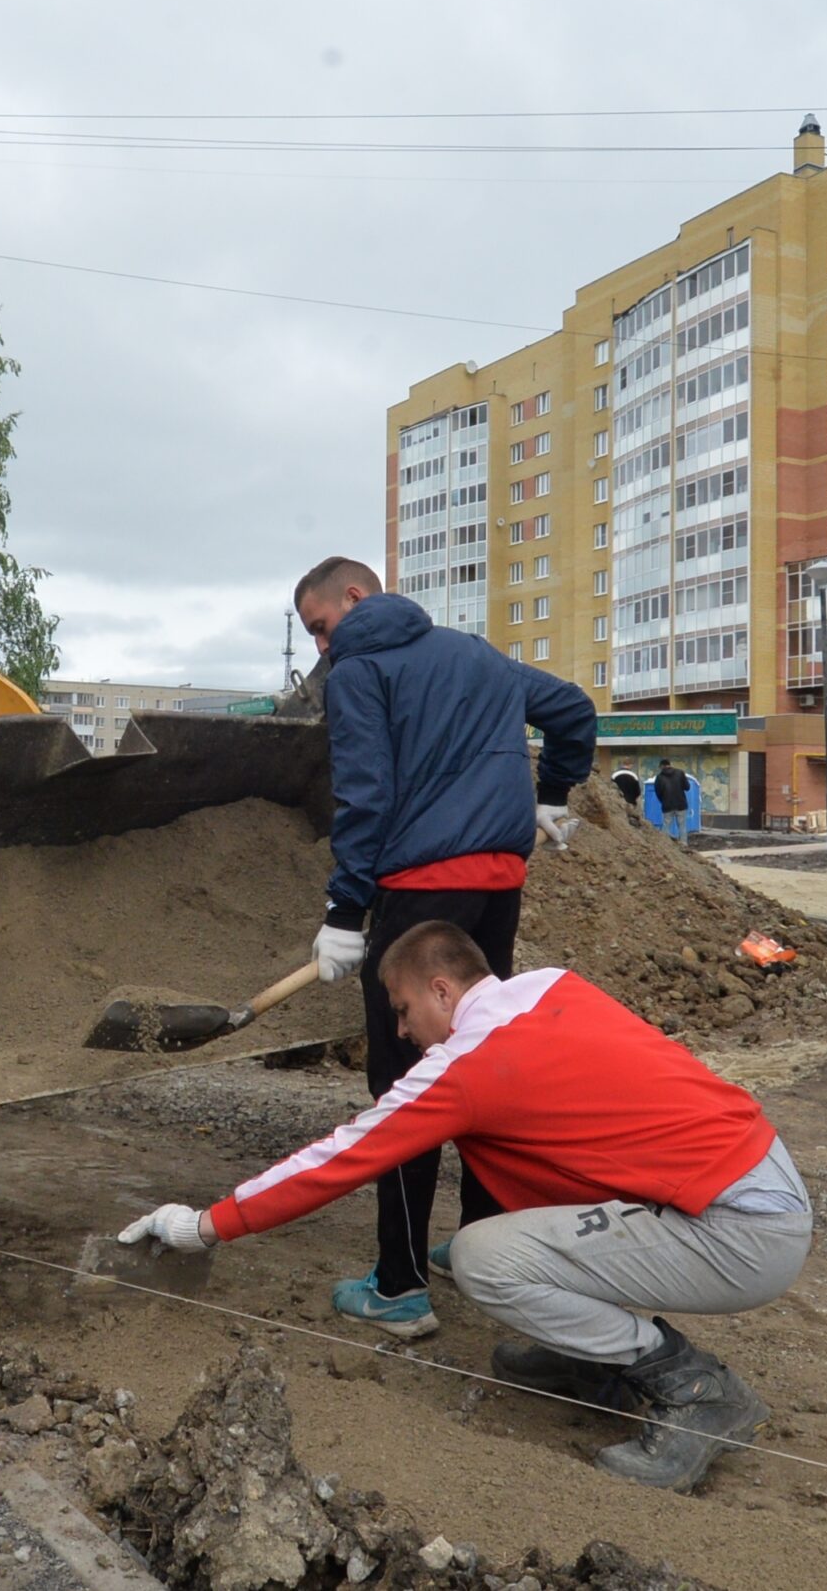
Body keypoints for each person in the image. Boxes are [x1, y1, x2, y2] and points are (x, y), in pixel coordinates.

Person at [119, 922, 810, 1492]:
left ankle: (694, 1391)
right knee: (505, 1229)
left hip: (740, 1229)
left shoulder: (473, 1062)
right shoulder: (551, 986)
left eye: (402, 1010)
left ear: (441, 990)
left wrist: (206, 1224)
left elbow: (342, 1157)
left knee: (483, 1259)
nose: (402, 1031)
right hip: (750, 1177)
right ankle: (596, 1362)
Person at [291, 555, 597, 1337]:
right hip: (498, 887)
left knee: (405, 1084)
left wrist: (345, 909)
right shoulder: (477, 655)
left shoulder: (359, 672)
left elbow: (366, 793)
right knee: (479, 1060)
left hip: (421, 894)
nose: (322, 648)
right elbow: (572, 711)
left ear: (354, 599)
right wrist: (550, 797)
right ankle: (479, 1247)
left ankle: (399, 1286)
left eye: (320, 627)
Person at [651, 759, 692, 840]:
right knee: (682, 826)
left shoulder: (659, 777)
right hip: (681, 804)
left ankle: (664, 846)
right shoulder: (680, 773)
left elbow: (658, 793)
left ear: (662, 766)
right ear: (670, 764)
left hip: (667, 805)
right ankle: (684, 845)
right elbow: (687, 787)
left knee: (666, 826)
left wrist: (663, 801)